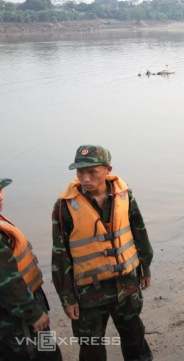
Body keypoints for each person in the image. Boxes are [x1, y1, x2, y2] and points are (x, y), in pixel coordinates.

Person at [52, 145, 153, 361]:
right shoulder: (64, 207)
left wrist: (145, 267)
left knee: (135, 340)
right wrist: (67, 298)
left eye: (92, 172)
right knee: (91, 350)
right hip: (88, 294)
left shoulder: (124, 195)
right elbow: (60, 256)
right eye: (80, 172)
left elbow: (139, 231)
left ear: (108, 169)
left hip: (126, 286)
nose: (85, 179)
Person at [1, 179, 62, 361]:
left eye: (1, 190)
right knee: (44, 354)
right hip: (16, 316)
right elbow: (7, 282)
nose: (1, 196)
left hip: (16, 310)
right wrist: (33, 313)